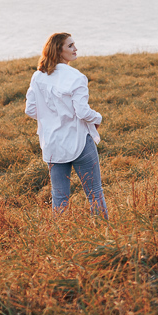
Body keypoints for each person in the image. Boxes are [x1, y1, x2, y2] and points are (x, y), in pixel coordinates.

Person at [25, 32, 108, 218]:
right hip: (79, 142)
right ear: (58, 50)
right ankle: (104, 235)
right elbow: (83, 112)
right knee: (95, 193)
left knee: (59, 197)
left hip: (53, 145)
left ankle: (59, 239)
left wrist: (50, 118)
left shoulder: (38, 77)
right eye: (70, 46)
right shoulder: (77, 77)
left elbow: (30, 110)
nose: (75, 49)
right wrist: (98, 118)